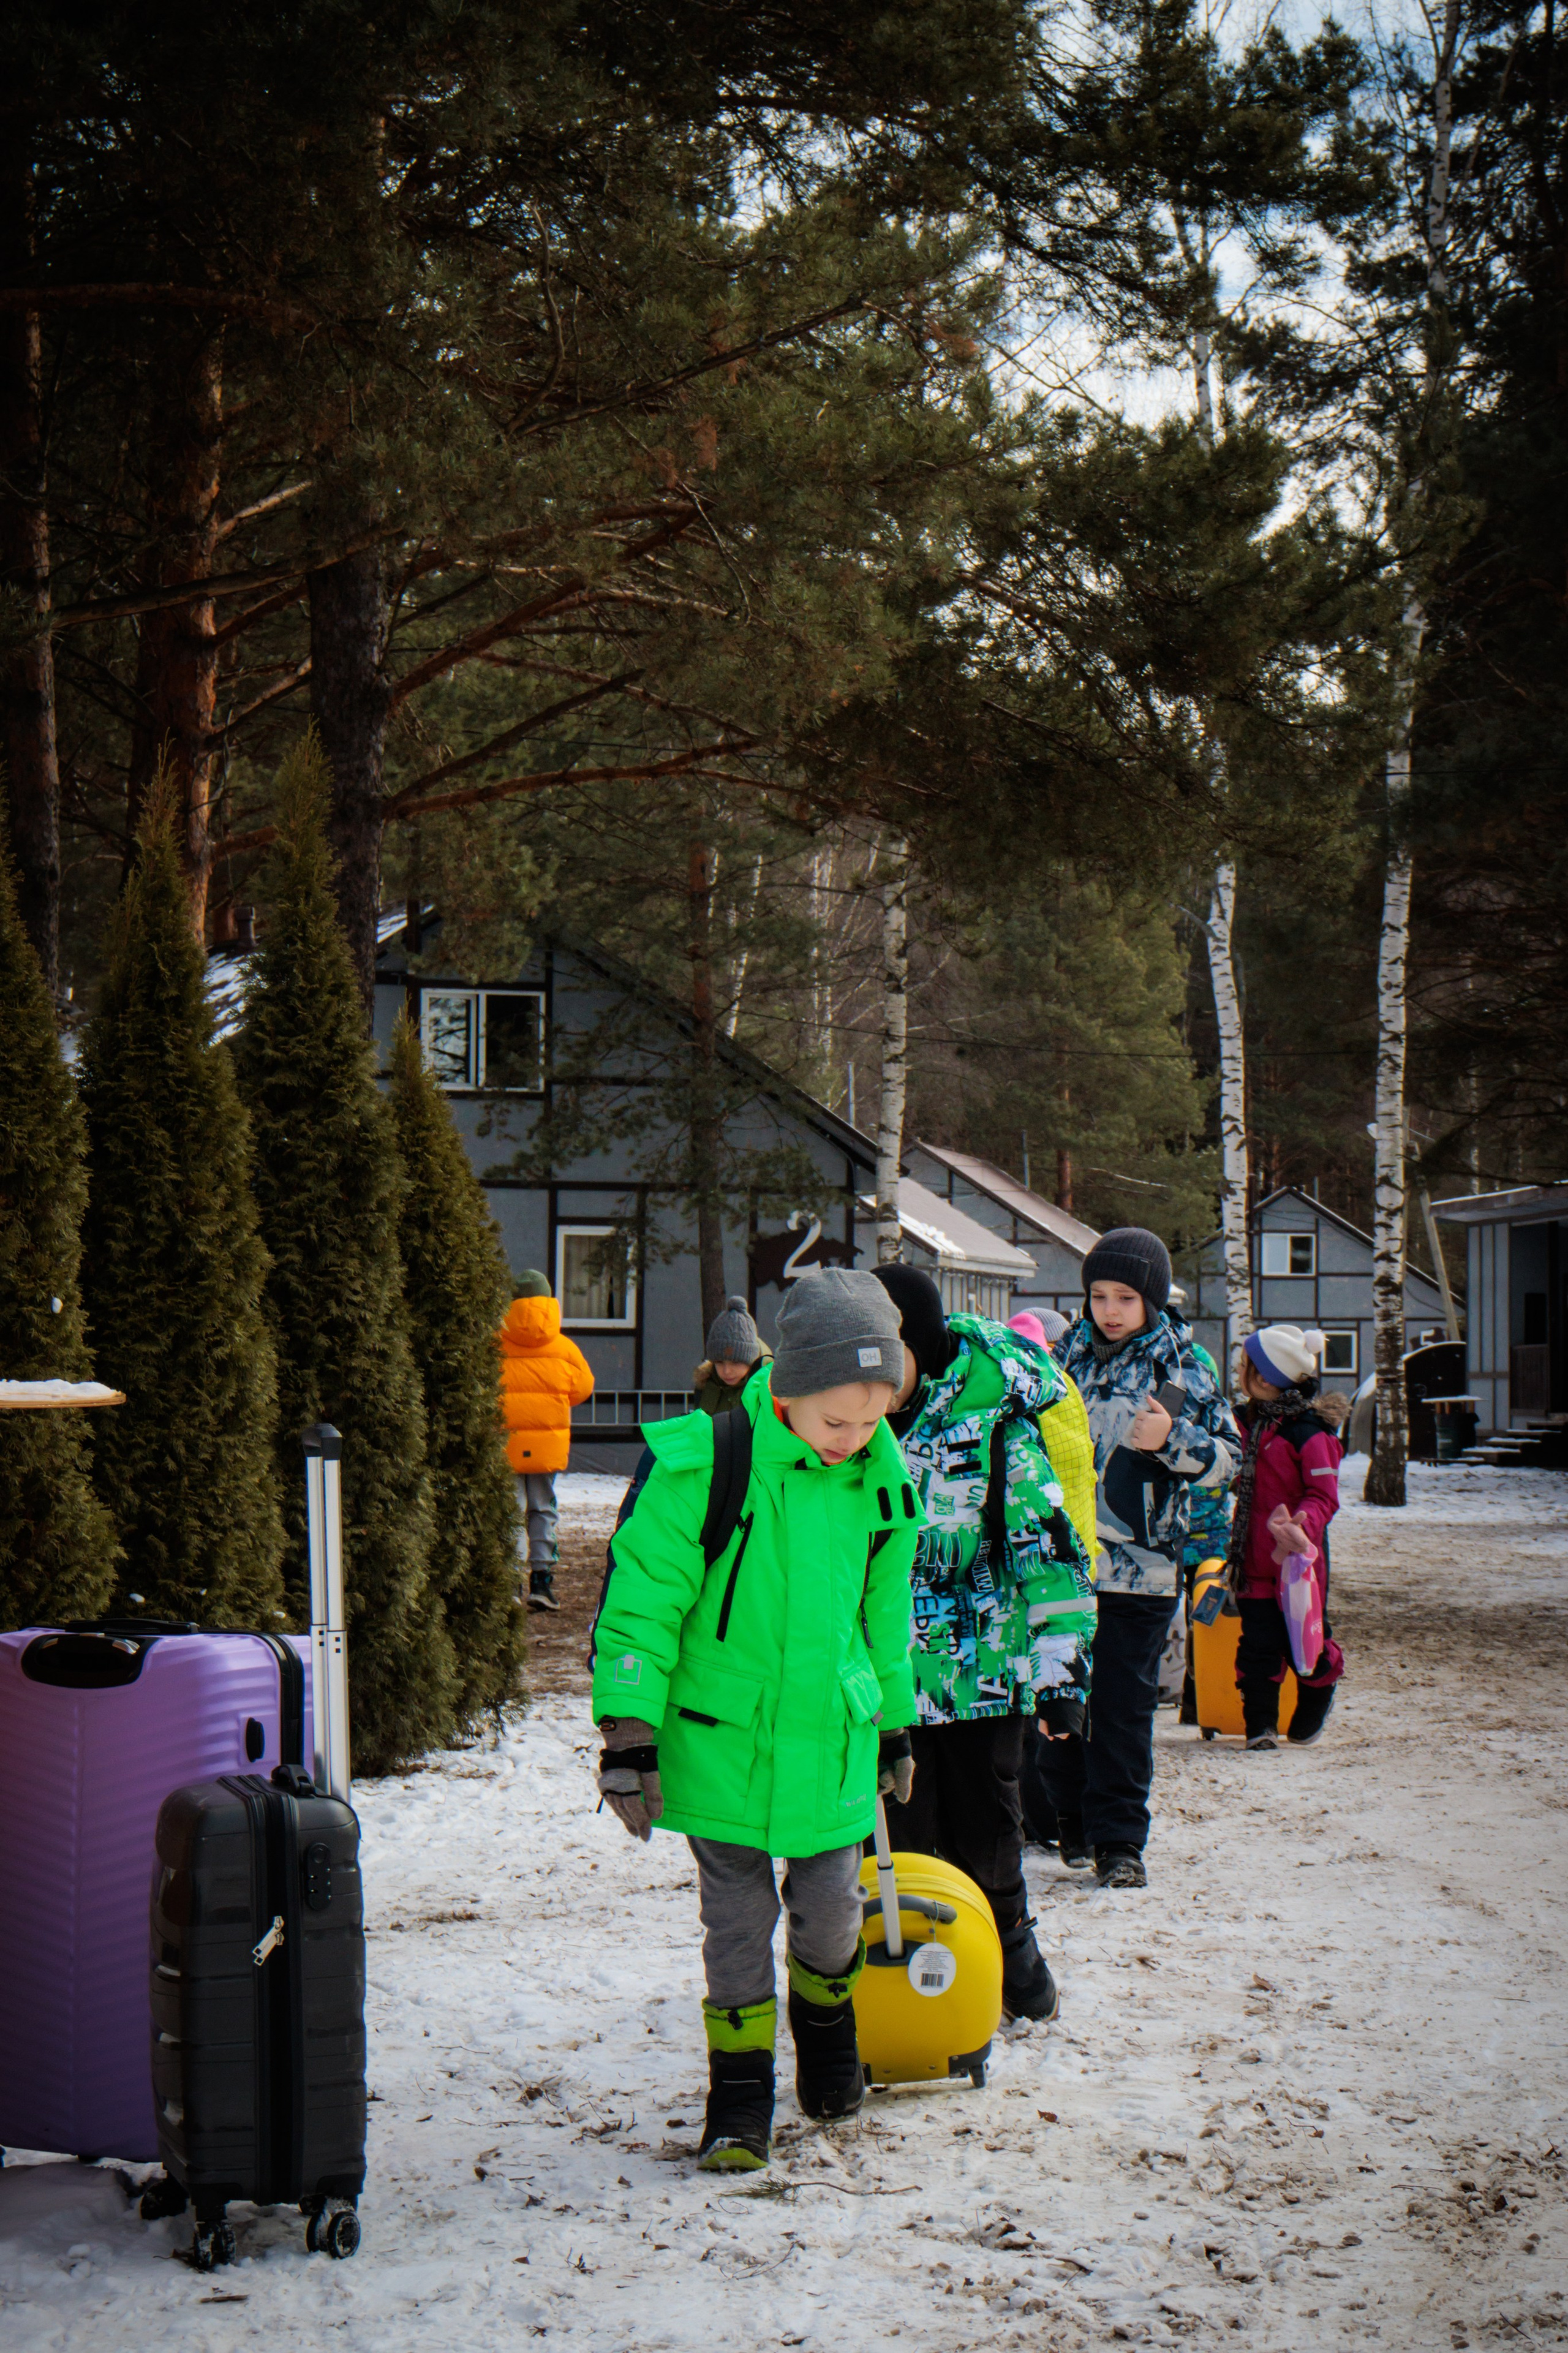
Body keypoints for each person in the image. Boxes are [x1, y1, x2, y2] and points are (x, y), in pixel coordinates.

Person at [592, 1269, 922, 2172]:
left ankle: (827, 2038)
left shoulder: (882, 1484)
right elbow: (643, 1604)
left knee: (829, 1919)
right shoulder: (707, 1464)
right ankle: (739, 2097)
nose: (852, 1441)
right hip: (723, 1744)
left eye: (872, 1421)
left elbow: (884, 1621)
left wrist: (894, 1724)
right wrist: (629, 1733)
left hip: (832, 1744)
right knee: (735, 1929)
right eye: (835, 1422)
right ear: (786, 1390)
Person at [872, 1264, 1096, 2022]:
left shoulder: (995, 1422)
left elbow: (1049, 1552)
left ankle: (1011, 1954)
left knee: (988, 1832)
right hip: (886, 1684)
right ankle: (922, 1983)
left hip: (982, 1677)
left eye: (882, 1354)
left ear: (920, 1346)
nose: (867, 1376)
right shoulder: (849, 1430)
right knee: (902, 1840)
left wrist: (1060, 1677)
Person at [1045, 1228, 1239, 1887]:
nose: (1109, 1309)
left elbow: (1228, 1463)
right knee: (1062, 1701)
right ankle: (1070, 1826)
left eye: (1125, 1296)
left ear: (1152, 1299)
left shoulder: (1184, 1367)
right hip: (1063, 1569)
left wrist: (1172, 1438)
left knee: (1123, 1712)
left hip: (1142, 1571)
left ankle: (1120, 1842)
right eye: (1098, 1295)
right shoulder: (1059, 1363)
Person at [1227, 1324, 1347, 1750]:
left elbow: (1324, 1496)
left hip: (1299, 1564)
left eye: (1246, 1366)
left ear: (1265, 1376)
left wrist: (1301, 1525)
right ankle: (1259, 1725)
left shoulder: (1310, 1432)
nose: (1240, 1372)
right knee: (1258, 1645)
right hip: (1253, 1561)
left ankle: (1320, 1689)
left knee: (1306, 1644)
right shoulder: (1243, 1423)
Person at [497, 1269, 595, 1612]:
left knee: (511, 1511)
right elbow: (582, 1389)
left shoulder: (494, 1344)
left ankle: (510, 1582)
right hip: (547, 1446)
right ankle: (542, 1582)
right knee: (543, 1509)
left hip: (504, 1445)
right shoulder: (565, 1349)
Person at [693, 1293, 771, 1414]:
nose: (727, 1371)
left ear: (752, 1359)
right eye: (719, 1362)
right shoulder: (706, 1385)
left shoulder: (771, 1387)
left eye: (736, 1362)